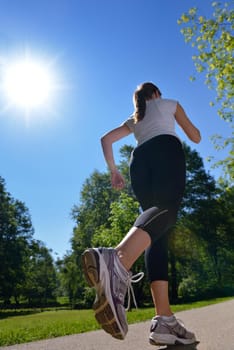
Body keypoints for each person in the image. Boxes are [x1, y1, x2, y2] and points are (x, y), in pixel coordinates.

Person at [82, 82, 201, 346]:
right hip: (166, 151)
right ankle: (117, 259)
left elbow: (106, 140)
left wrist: (114, 170)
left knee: (155, 234)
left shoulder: (136, 119)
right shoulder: (169, 104)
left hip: (139, 161)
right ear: (156, 93)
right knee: (167, 211)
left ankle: (164, 319)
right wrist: (190, 129)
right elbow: (195, 136)